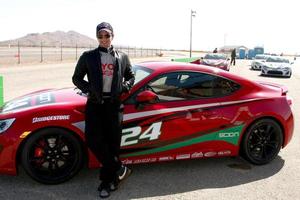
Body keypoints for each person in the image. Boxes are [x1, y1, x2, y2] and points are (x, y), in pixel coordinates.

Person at [72, 22, 135, 198]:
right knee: (92, 140)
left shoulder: (122, 57)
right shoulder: (88, 56)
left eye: (107, 35)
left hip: (114, 105)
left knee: (112, 144)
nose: (104, 38)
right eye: (100, 35)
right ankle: (120, 169)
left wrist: (124, 87)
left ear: (112, 36)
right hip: (95, 104)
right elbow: (76, 78)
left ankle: (108, 182)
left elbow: (131, 76)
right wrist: (89, 89)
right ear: (97, 37)